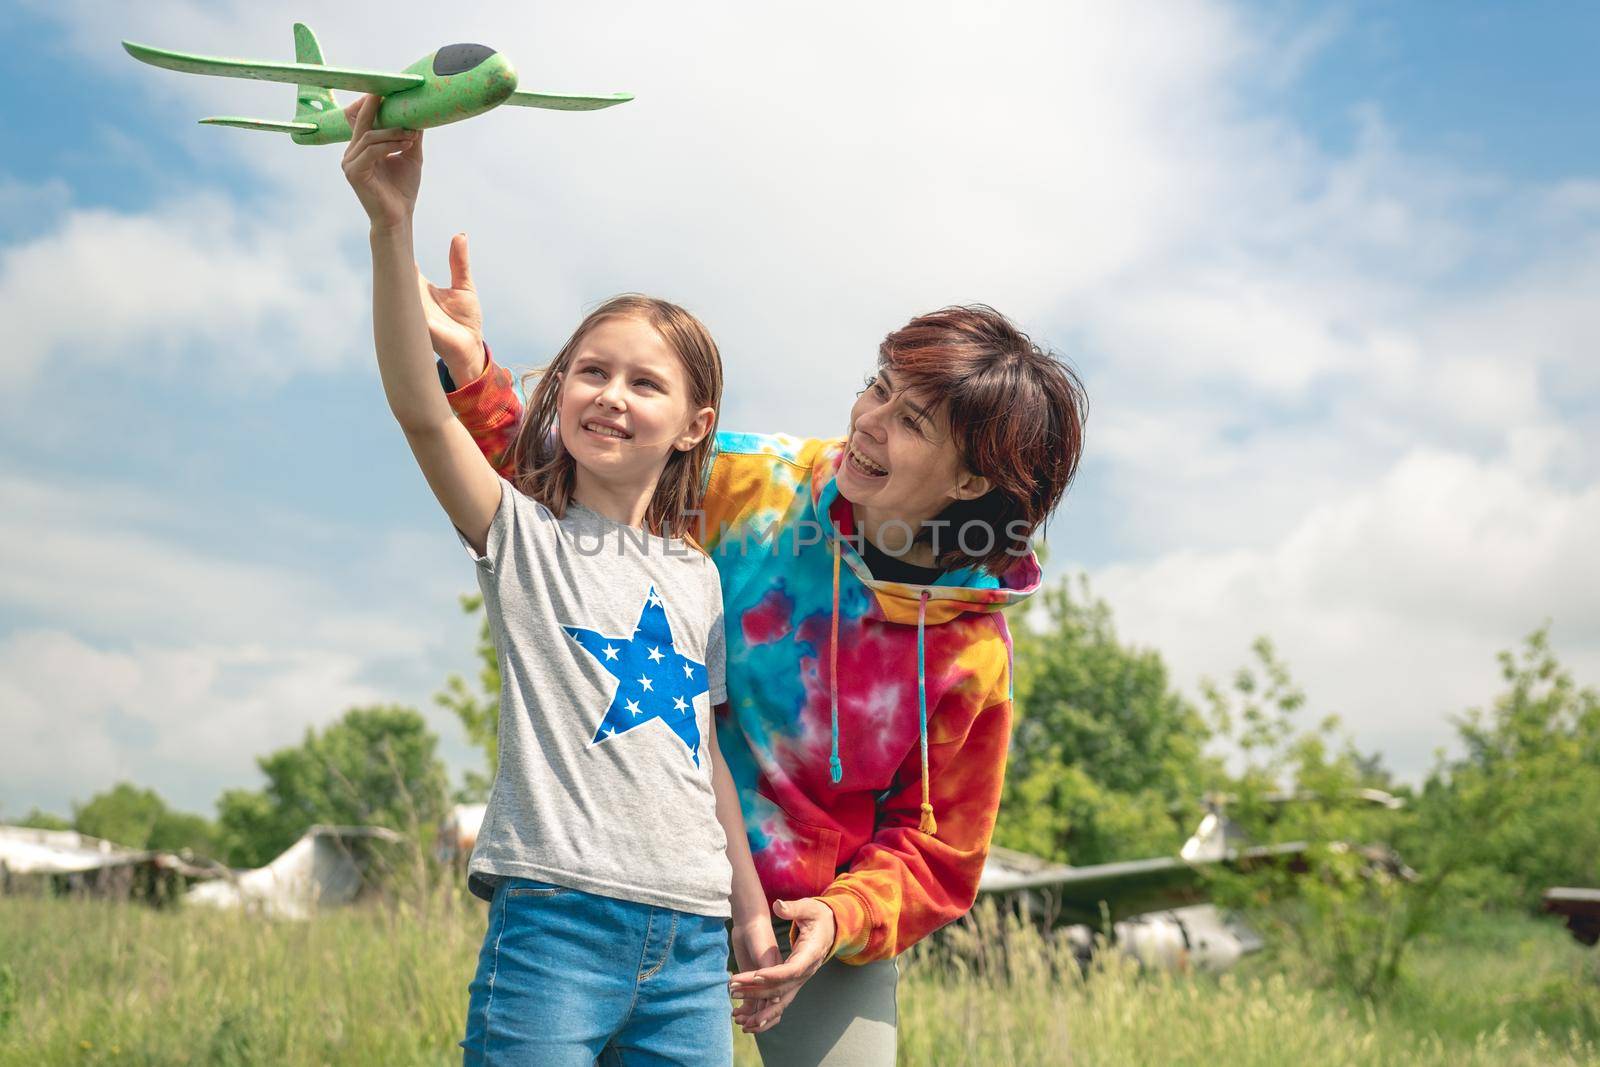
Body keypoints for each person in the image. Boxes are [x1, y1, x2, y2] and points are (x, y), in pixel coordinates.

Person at [422, 218, 1088, 1062]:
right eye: (876, 386)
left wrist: (837, 921)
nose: (870, 421)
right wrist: (474, 373)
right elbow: (559, 475)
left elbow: (938, 852)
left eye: (911, 419)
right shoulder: (744, 483)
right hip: (646, 879)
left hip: (811, 929)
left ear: (971, 480)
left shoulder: (972, 658)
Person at [339, 94, 781, 1065]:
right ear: (557, 390)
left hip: (691, 942)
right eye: (589, 371)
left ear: (694, 422)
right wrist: (390, 225)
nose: (610, 395)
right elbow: (422, 413)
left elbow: (700, 754)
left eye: (645, 381)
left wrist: (748, 912)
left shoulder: (696, 576)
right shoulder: (519, 534)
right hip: (557, 921)